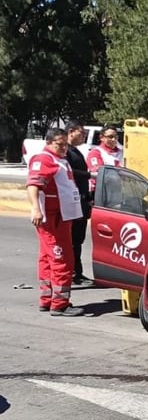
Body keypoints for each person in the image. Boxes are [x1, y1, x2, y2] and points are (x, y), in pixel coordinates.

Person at [26, 128, 85, 317]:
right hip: (53, 218)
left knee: (47, 257)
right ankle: (60, 304)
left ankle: (47, 299)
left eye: (66, 144)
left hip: (62, 216)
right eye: (60, 144)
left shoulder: (60, 160)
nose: (64, 148)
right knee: (62, 259)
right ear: (49, 142)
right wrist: (36, 208)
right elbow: (33, 185)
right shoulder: (44, 159)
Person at [64, 122, 93, 286]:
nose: (84, 136)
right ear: (71, 132)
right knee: (73, 240)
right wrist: (90, 175)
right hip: (72, 202)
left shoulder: (76, 151)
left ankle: (77, 272)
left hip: (81, 200)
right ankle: (73, 273)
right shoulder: (65, 151)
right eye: (81, 133)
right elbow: (68, 171)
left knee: (78, 240)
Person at [86, 125, 124, 194]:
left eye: (116, 137)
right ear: (101, 137)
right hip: (101, 193)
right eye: (110, 137)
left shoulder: (122, 152)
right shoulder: (96, 152)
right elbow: (99, 172)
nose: (114, 139)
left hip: (119, 191)